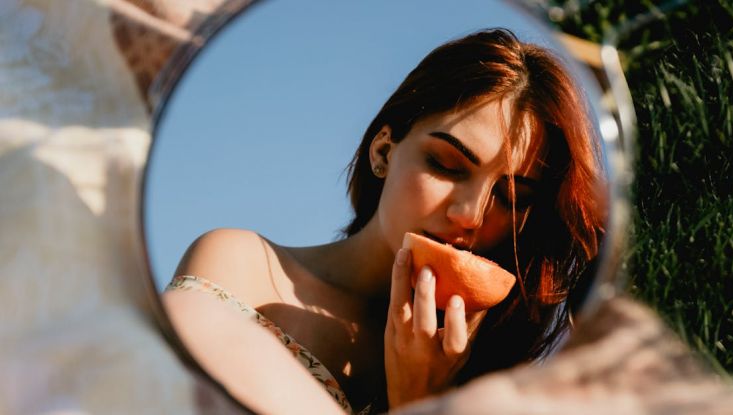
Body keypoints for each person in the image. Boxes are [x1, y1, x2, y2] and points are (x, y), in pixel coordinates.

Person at [162, 28, 605, 414]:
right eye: (447, 165)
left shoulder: (492, 371)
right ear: (383, 151)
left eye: (511, 197)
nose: (470, 215)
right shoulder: (244, 266)